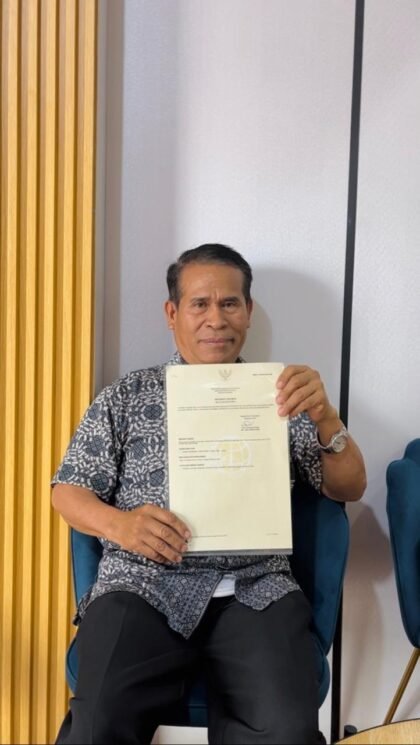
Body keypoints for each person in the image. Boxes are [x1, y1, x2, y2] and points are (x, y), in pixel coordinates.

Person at [52, 243, 366, 745]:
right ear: (172, 313)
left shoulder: (280, 394)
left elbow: (349, 485)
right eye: (199, 303)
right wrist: (120, 525)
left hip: (255, 587)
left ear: (248, 311)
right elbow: (68, 490)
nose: (215, 319)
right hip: (142, 584)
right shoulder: (127, 395)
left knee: (286, 731)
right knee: (97, 723)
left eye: (229, 303)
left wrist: (327, 418)